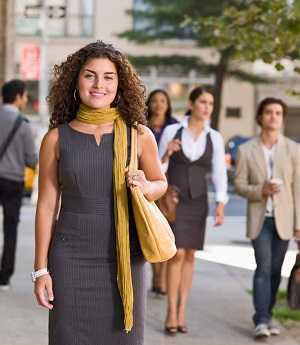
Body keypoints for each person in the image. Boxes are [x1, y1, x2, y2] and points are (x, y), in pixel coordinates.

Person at [33, 41, 167, 345]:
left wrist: (147, 186)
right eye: (90, 75)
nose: (99, 85)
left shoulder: (139, 135)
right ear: (75, 81)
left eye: (109, 77)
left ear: (119, 85)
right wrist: (40, 270)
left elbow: (161, 183)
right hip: (70, 260)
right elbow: (46, 207)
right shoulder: (55, 139)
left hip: (124, 259)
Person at [159, 86, 228, 335]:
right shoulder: (171, 131)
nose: (207, 107)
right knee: (176, 254)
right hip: (175, 201)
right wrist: (168, 152)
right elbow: (157, 168)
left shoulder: (215, 137)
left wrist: (221, 203)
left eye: (210, 103)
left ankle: (181, 312)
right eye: (202, 102)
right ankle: (170, 311)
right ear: (191, 104)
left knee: (190, 256)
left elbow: (220, 173)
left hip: (198, 202)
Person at [234, 97, 300, 339]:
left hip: (284, 219)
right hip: (260, 218)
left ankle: (267, 314)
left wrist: (299, 226)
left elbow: (298, 190)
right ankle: (261, 319)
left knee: (275, 270)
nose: (274, 116)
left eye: (278, 113)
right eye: (269, 112)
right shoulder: (245, 150)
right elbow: (239, 185)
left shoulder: (293, 150)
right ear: (260, 117)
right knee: (263, 267)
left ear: (282, 118)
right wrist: (260, 190)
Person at [0, 79, 38, 290]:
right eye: (24, 96)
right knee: (10, 228)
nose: (25, 100)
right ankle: (4, 277)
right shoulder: (23, 125)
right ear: (17, 97)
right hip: (13, 181)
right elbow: (31, 160)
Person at [146, 88, 178, 295]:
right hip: (145, 185)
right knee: (149, 232)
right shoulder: (142, 125)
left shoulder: (174, 127)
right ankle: (156, 277)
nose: (158, 104)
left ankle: (162, 279)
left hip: (166, 186)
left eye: (163, 101)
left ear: (168, 105)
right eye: (155, 101)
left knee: (165, 233)